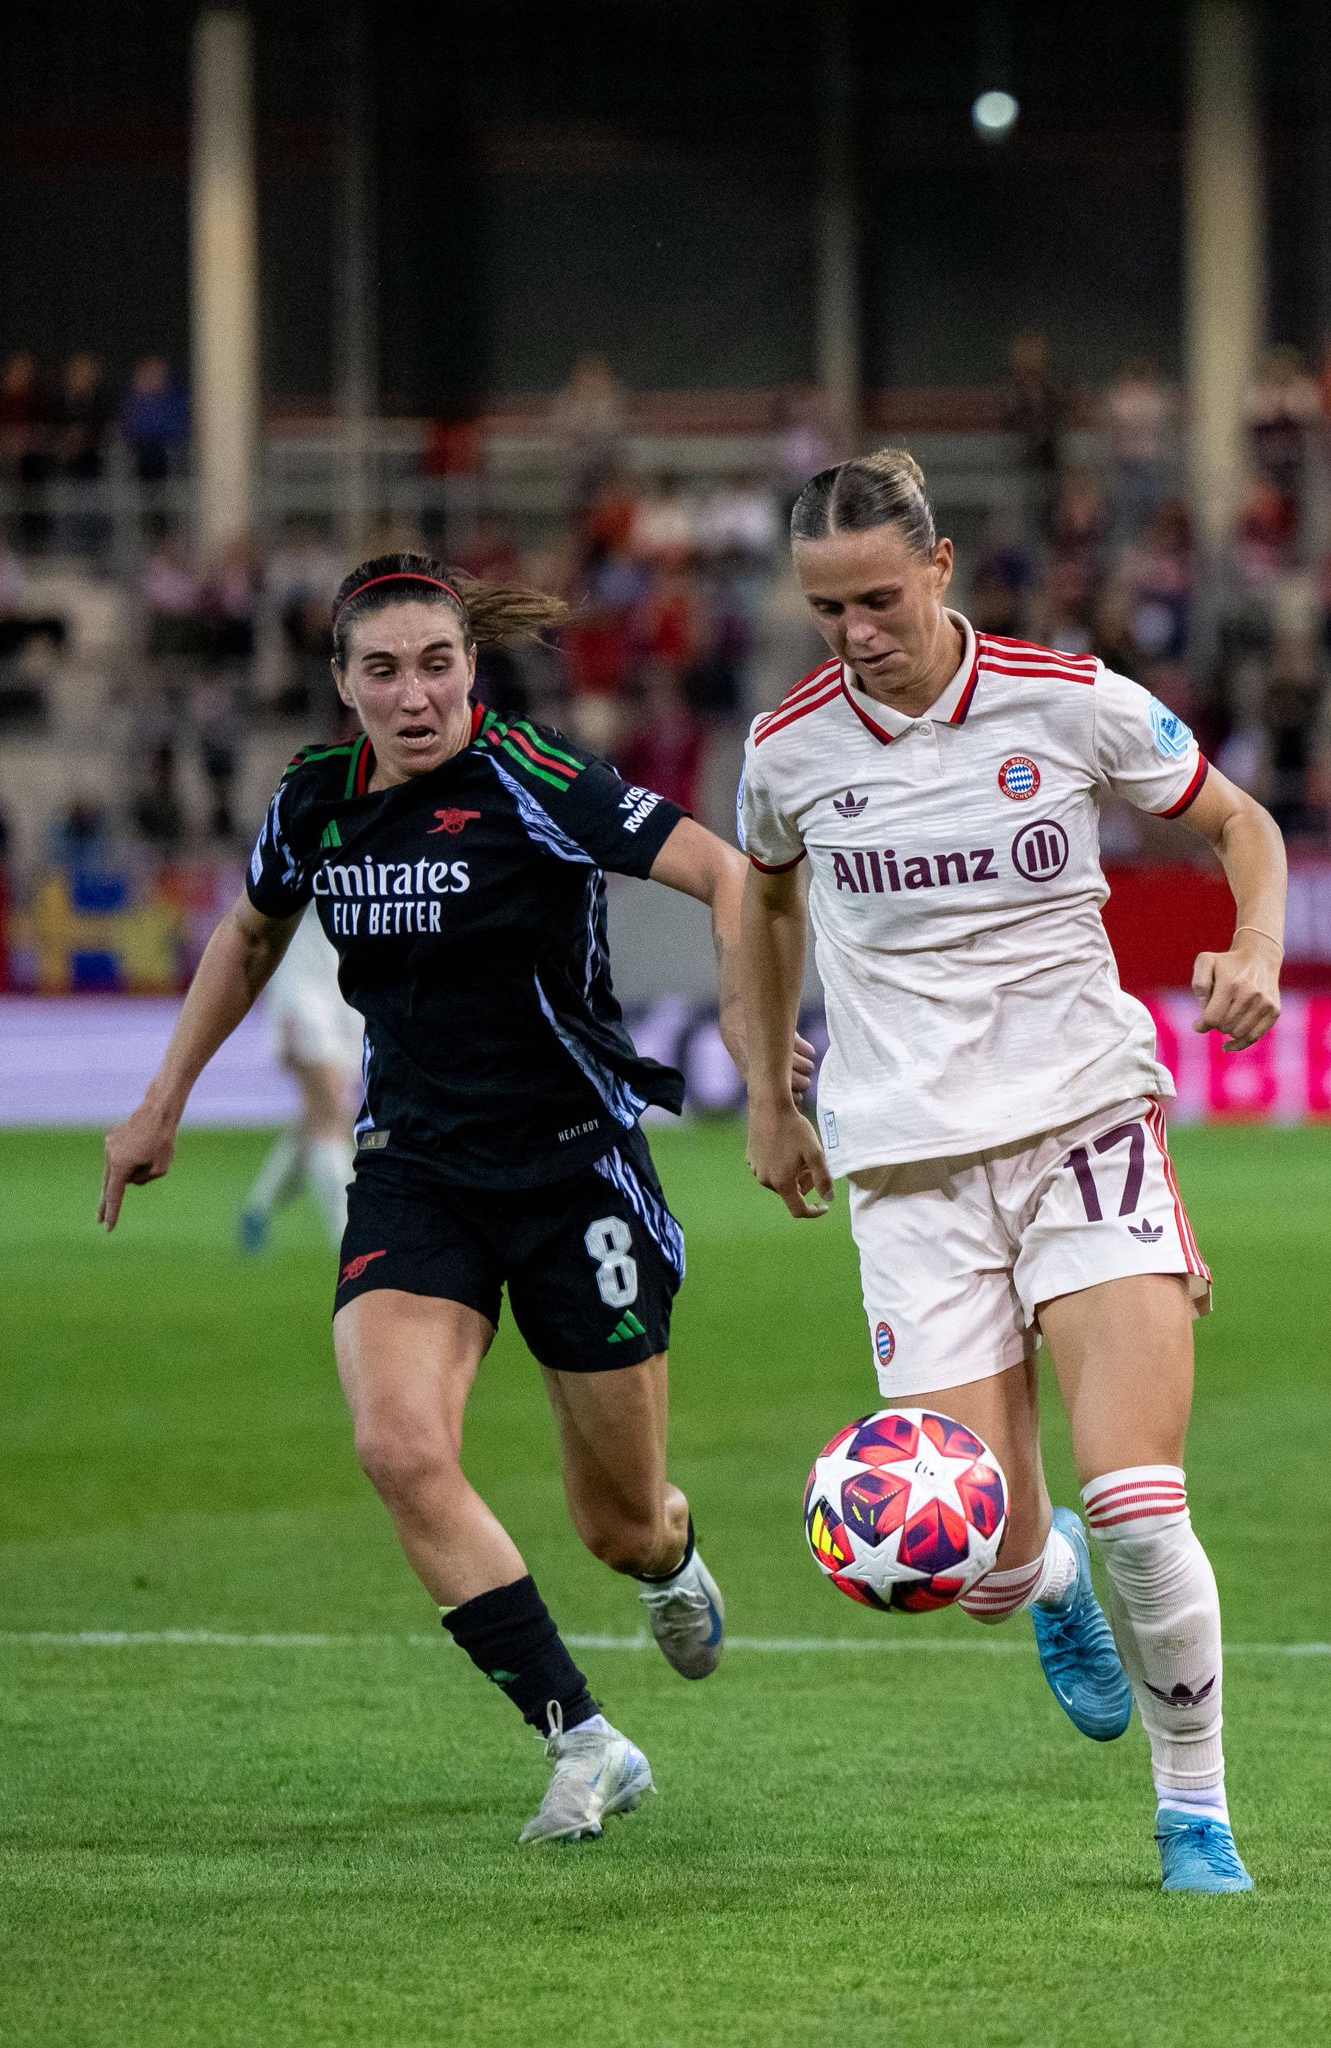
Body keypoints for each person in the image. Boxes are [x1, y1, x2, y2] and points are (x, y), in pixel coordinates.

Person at [100, 551, 812, 1847]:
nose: (414, 695)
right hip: (415, 1170)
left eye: (437, 665)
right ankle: (584, 1741)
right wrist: (163, 1099)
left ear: (470, 670)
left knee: (615, 1523)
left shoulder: (534, 779)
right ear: (341, 685)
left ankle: (670, 1549)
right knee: (397, 1447)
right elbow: (252, 929)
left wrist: (752, 1031)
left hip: (572, 1169)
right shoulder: (315, 801)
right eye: (383, 671)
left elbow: (721, 871)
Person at [737, 451, 1286, 1896]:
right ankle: (1036, 1591)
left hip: (1082, 1129)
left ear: (938, 566)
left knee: (1139, 1505)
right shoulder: (785, 752)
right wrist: (766, 1091)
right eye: (822, 608)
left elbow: (1241, 823)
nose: (854, 631)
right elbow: (766, 905)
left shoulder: (1069, 698)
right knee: (975, 1564)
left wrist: (1256, 947)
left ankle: (1194, 1815)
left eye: (874, 597)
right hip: (909, 1171)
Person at [238, 904, 362, 1250]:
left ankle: (257, 1208)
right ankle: (348, 1235)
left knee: (320, 1118)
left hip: (346, 1001)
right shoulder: (302, 857)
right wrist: (285, 1009)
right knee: (329, 1116)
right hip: (303, 1001)